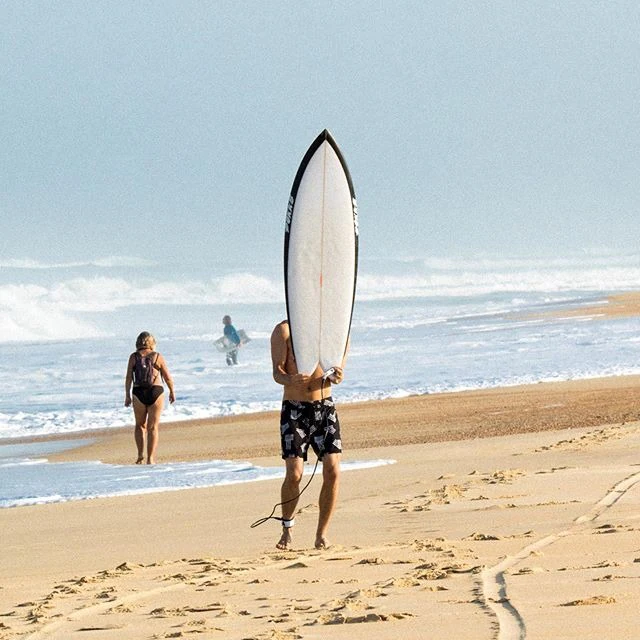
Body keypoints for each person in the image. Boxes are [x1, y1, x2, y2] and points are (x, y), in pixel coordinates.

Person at [270, 319, 346, 550]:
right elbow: (277, 373)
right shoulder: (284, 330)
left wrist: (338, 376)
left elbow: (339, 371)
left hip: (324, 408)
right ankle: (287, 528)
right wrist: (289, 379)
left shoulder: (337, 328)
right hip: (295, 409)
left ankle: (321, 534)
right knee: (294, 474)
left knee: (332, 470)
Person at [124, 331, 176, 464]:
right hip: (155, 391)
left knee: (140, 425)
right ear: (152, 343)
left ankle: (140, 455)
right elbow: (167, 377)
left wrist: (127, 396)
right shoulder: (157, 356)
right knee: (153, 427)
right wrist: (172, 391)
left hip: (138, 392)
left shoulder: (134, 357)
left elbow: (129, 377)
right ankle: (150, 458)